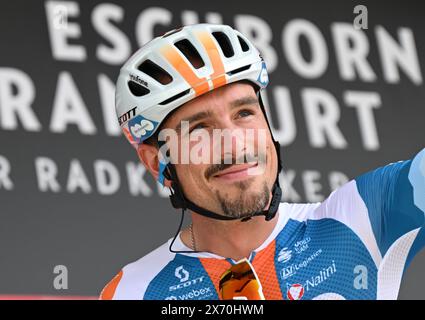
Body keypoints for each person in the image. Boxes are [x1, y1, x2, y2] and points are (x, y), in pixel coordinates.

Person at [100, 23, 425, 300]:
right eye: (199, 129)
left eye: (244, 113)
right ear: (157, 162)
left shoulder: (364, 214)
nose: (235, 144)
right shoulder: (132, 291)